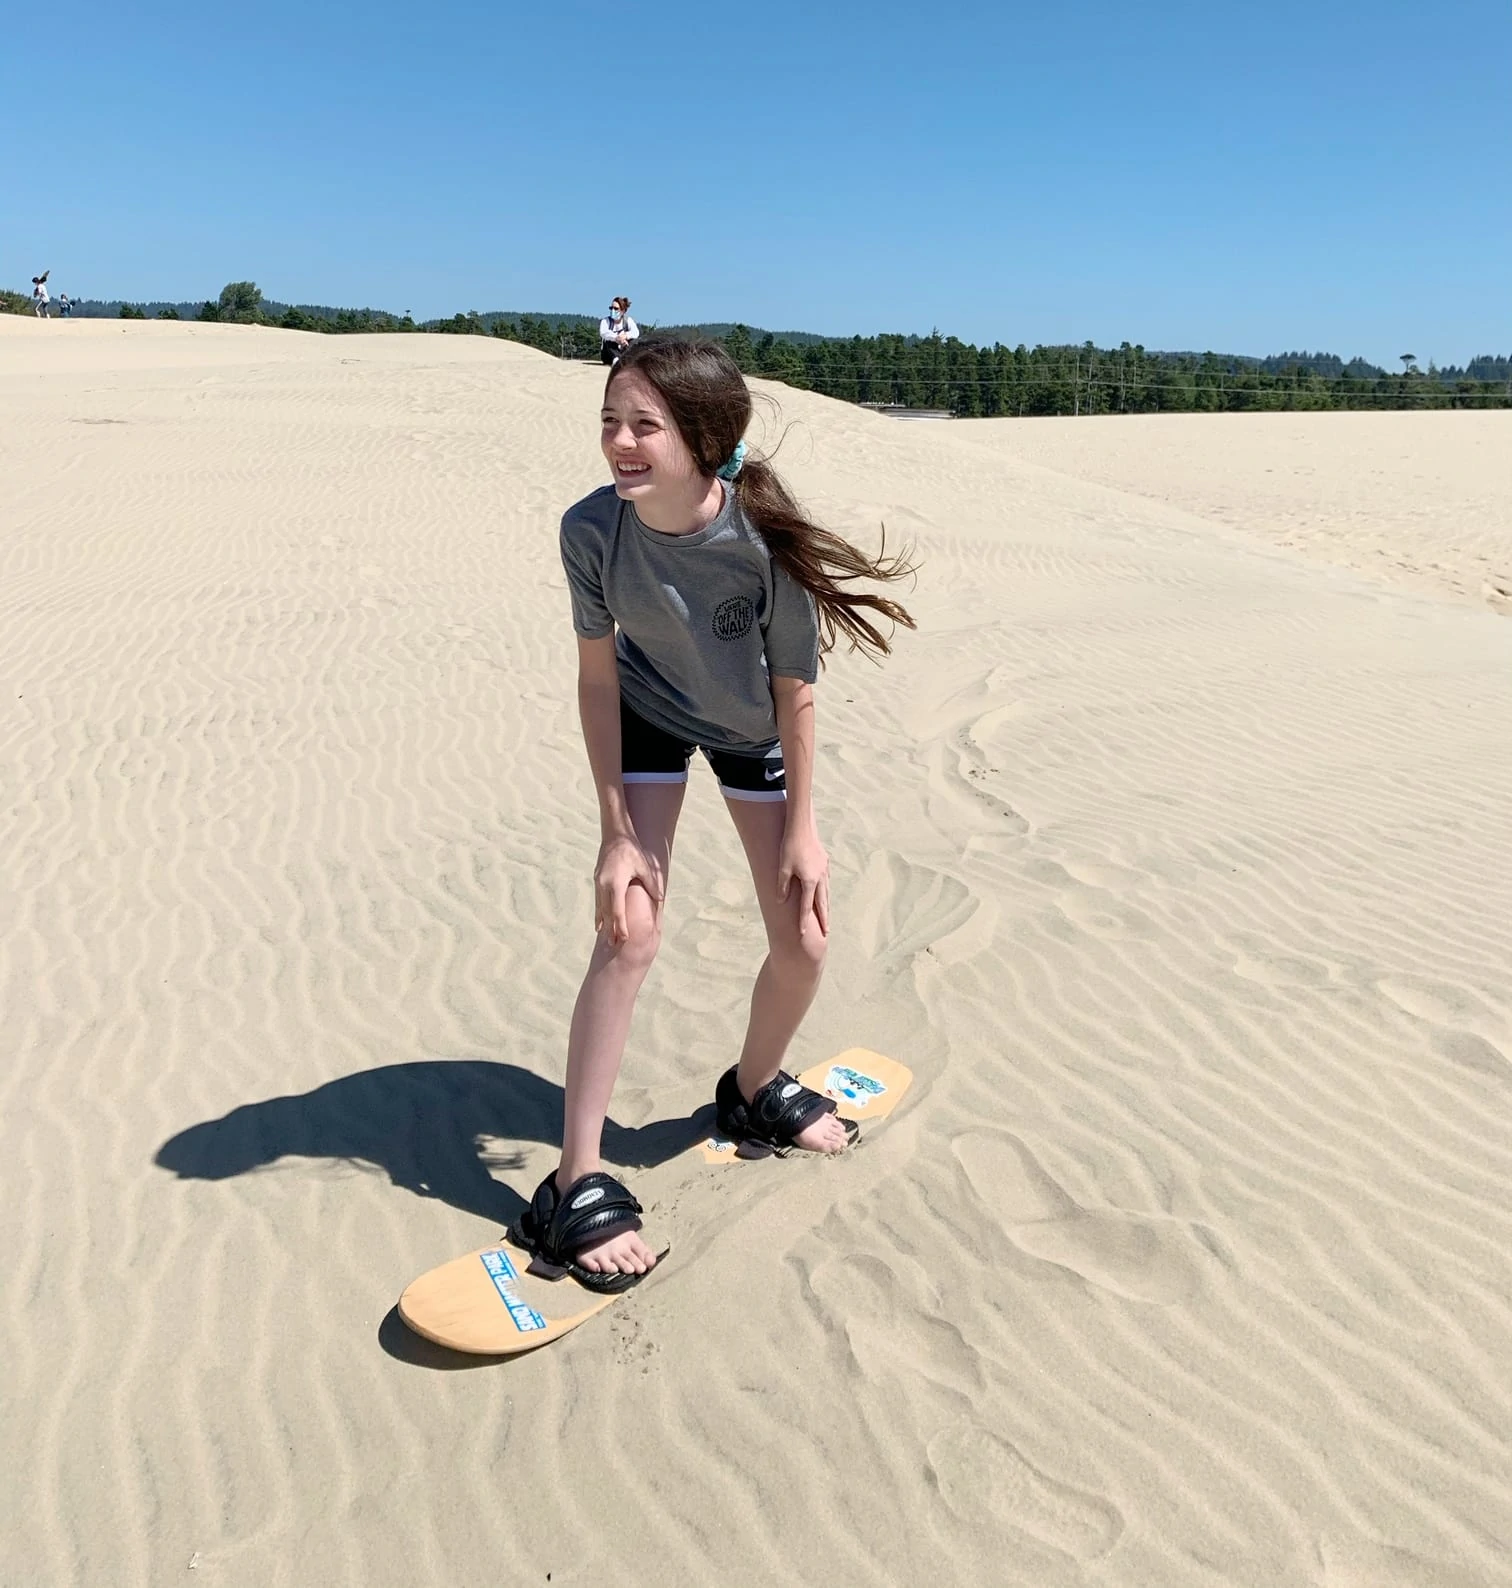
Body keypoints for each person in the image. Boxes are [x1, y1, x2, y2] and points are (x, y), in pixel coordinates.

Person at [512, 337, 916, 1290]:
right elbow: (595, 678)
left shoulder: (761, 547)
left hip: (748, 732)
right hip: (648, 716)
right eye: (611, 421)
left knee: (807, 940)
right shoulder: (590, 532)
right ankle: (575, 1182)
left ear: (703, 437)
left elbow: (795, 697)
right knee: (630, 931)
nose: (619, 442)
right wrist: (616, 834)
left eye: (644, 425)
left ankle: (754, 1088)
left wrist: (806, 830)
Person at [598, 296, 639, 365]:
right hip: (608, 355)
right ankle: (616, 359)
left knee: (633, 341)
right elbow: (603, 333)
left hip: (623, 351)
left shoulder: (628, 320)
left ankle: (630, 359)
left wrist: (625, 336)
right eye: (611, 308)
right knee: (608, 340)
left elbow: (636, 332)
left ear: (623, 311)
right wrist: (617, 338)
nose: (613, 310)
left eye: (616, 309)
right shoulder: (605, 321)